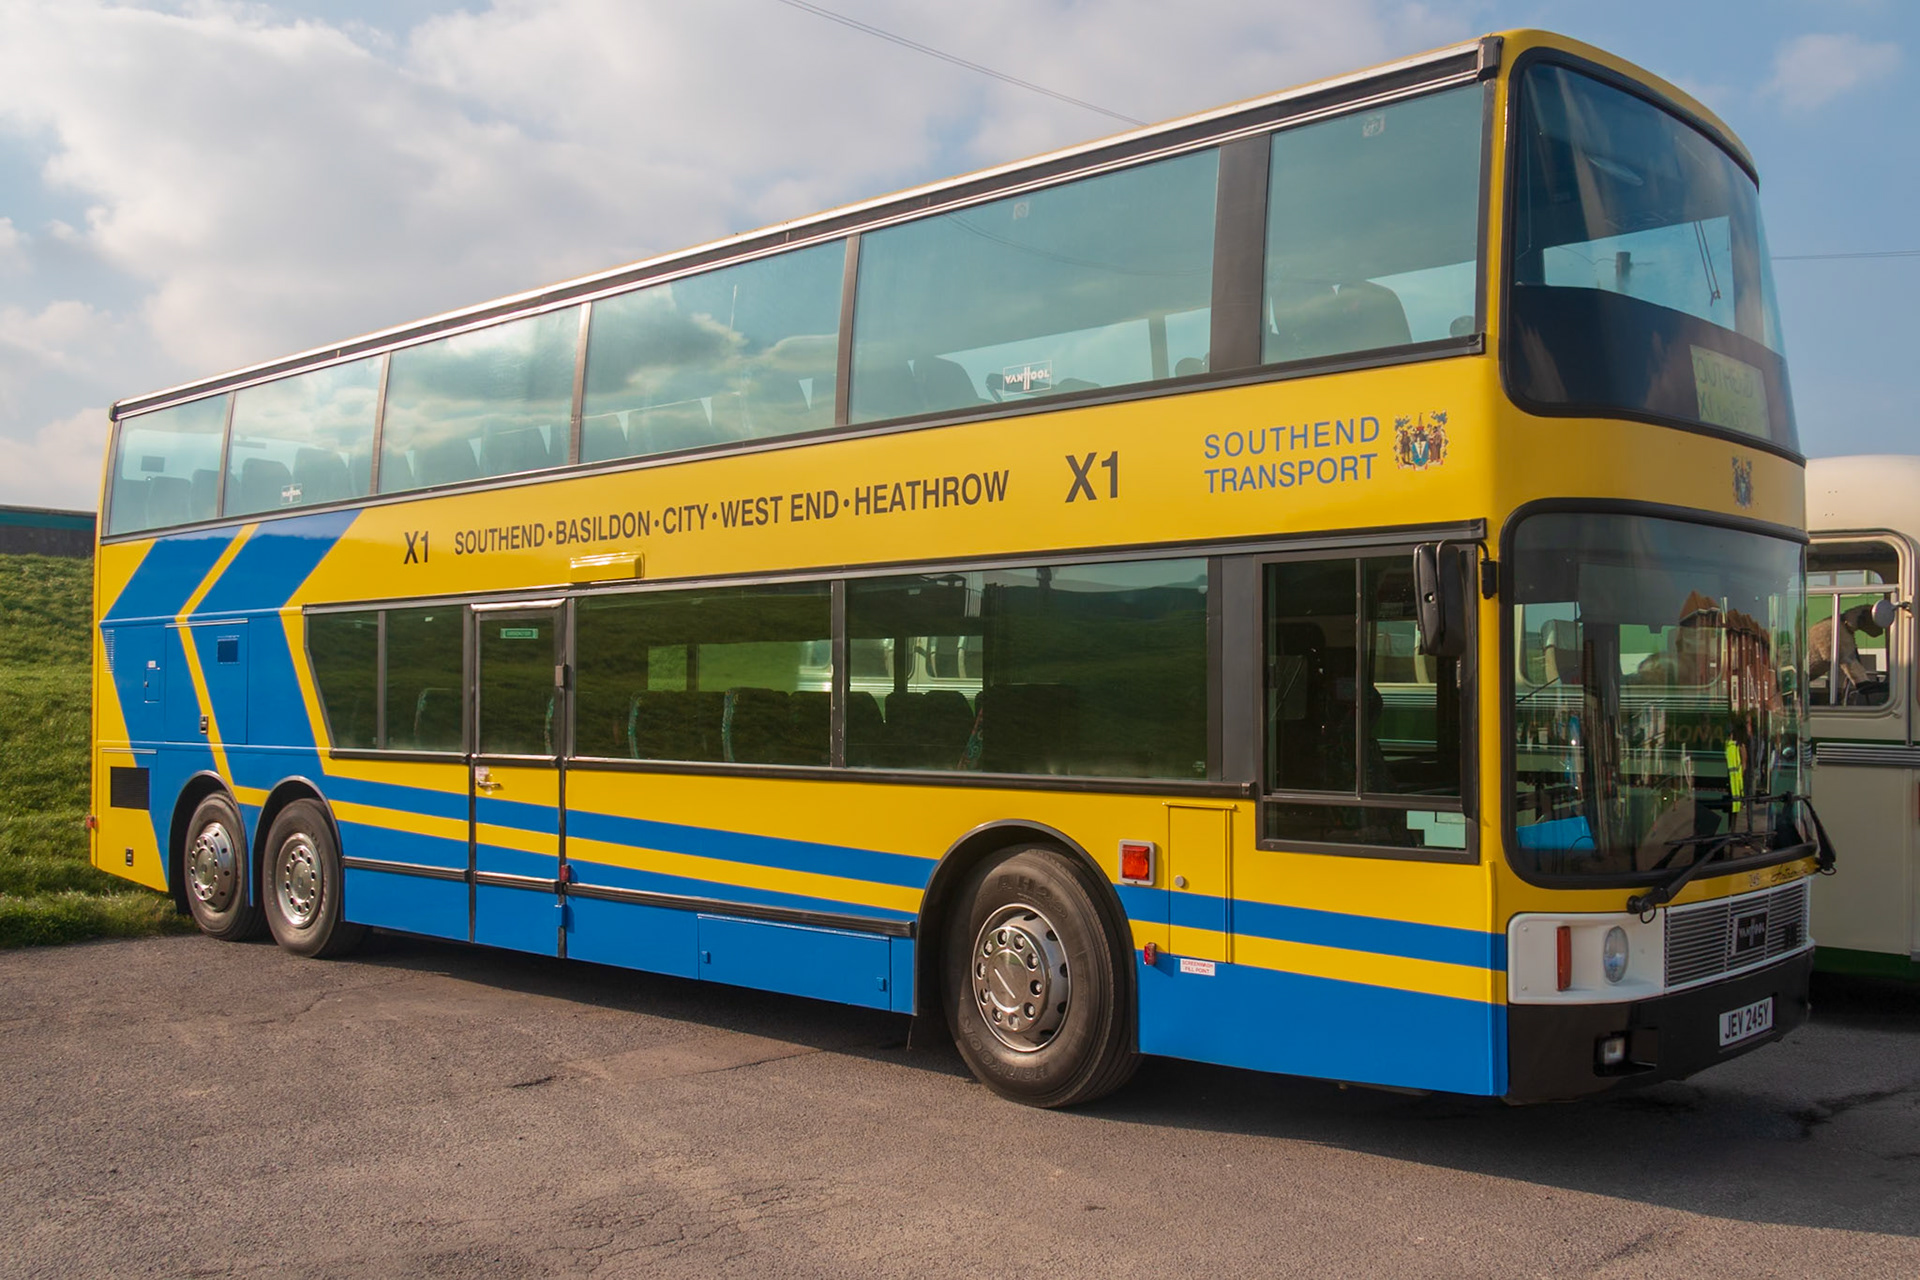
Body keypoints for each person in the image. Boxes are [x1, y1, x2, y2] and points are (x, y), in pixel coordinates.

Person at [1809, 602, 1887, 705]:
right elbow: (1843, 659)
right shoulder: (1831, 629)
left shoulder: (1843, 630)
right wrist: (1862, 682)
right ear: (1863, 619)